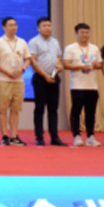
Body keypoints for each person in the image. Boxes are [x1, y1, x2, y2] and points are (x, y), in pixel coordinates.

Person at [0, 16, 32, 146]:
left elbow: (28, 59)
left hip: (18, 81)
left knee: (15, 109)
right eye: (10, 25)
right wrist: (7, 72)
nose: (13, 27)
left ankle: (14, 136)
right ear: (4, 27)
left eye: (15, 25)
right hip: (4, 79)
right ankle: (4, 136)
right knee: (3, 109)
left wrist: (23, 69)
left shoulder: (22, 42)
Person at [28, 17, 66, 146]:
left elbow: (59, 58)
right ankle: (39, 137)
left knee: (53, 108)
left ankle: (54, 137)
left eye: (49, 25)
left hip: (54, 77)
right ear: (38, 28)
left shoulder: (55, 42)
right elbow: (33, 61)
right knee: (40, 108)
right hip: (40, 78)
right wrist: (45, 75)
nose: (47, 28)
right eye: (44, 26)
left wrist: (59, 67)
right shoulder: (34, 42)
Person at [64, 23, 103, 147]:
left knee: (91, 112)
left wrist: (95, 65)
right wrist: (81, 66)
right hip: (77, 85)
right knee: (76, 111)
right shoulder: (70, 48)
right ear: (77, 34)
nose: (85, 35)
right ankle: (76, 136)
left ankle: (91, 136)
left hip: (92, 85)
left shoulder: (94, 48)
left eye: (87, 32)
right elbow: (66, 64)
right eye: (82, 32)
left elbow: (100, 65)